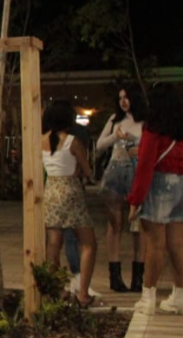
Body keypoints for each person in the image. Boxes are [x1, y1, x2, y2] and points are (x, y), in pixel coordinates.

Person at [128, 86, 183, 315]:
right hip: (180, 184)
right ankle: (179, 295)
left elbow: (145, 167)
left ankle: (148, 297)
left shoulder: (153, 130)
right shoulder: (178, 131)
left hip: (158, 185)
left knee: (154, 245)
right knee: (177, 244)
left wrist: (135, 200)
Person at [40, 100, 100, 308]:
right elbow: (87, 170)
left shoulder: (41, 141)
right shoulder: (72, 141)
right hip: (71, 191)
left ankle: (56, 290)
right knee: (88, 243)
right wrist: (83, 173)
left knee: (53, 245)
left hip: (51, 190)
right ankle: (82, 293)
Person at [97, 85, 145, 292]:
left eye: (126, 97)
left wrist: (140, 149)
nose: (123, 101)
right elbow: (100, 145)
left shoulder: (146, 121)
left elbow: (153, 147)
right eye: (120, 98)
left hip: (137, 174)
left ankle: (138, 278)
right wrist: (115, 136)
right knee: (115, 225)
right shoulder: (114, 120)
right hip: (115, 174)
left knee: (138, 227)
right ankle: (115, 277)